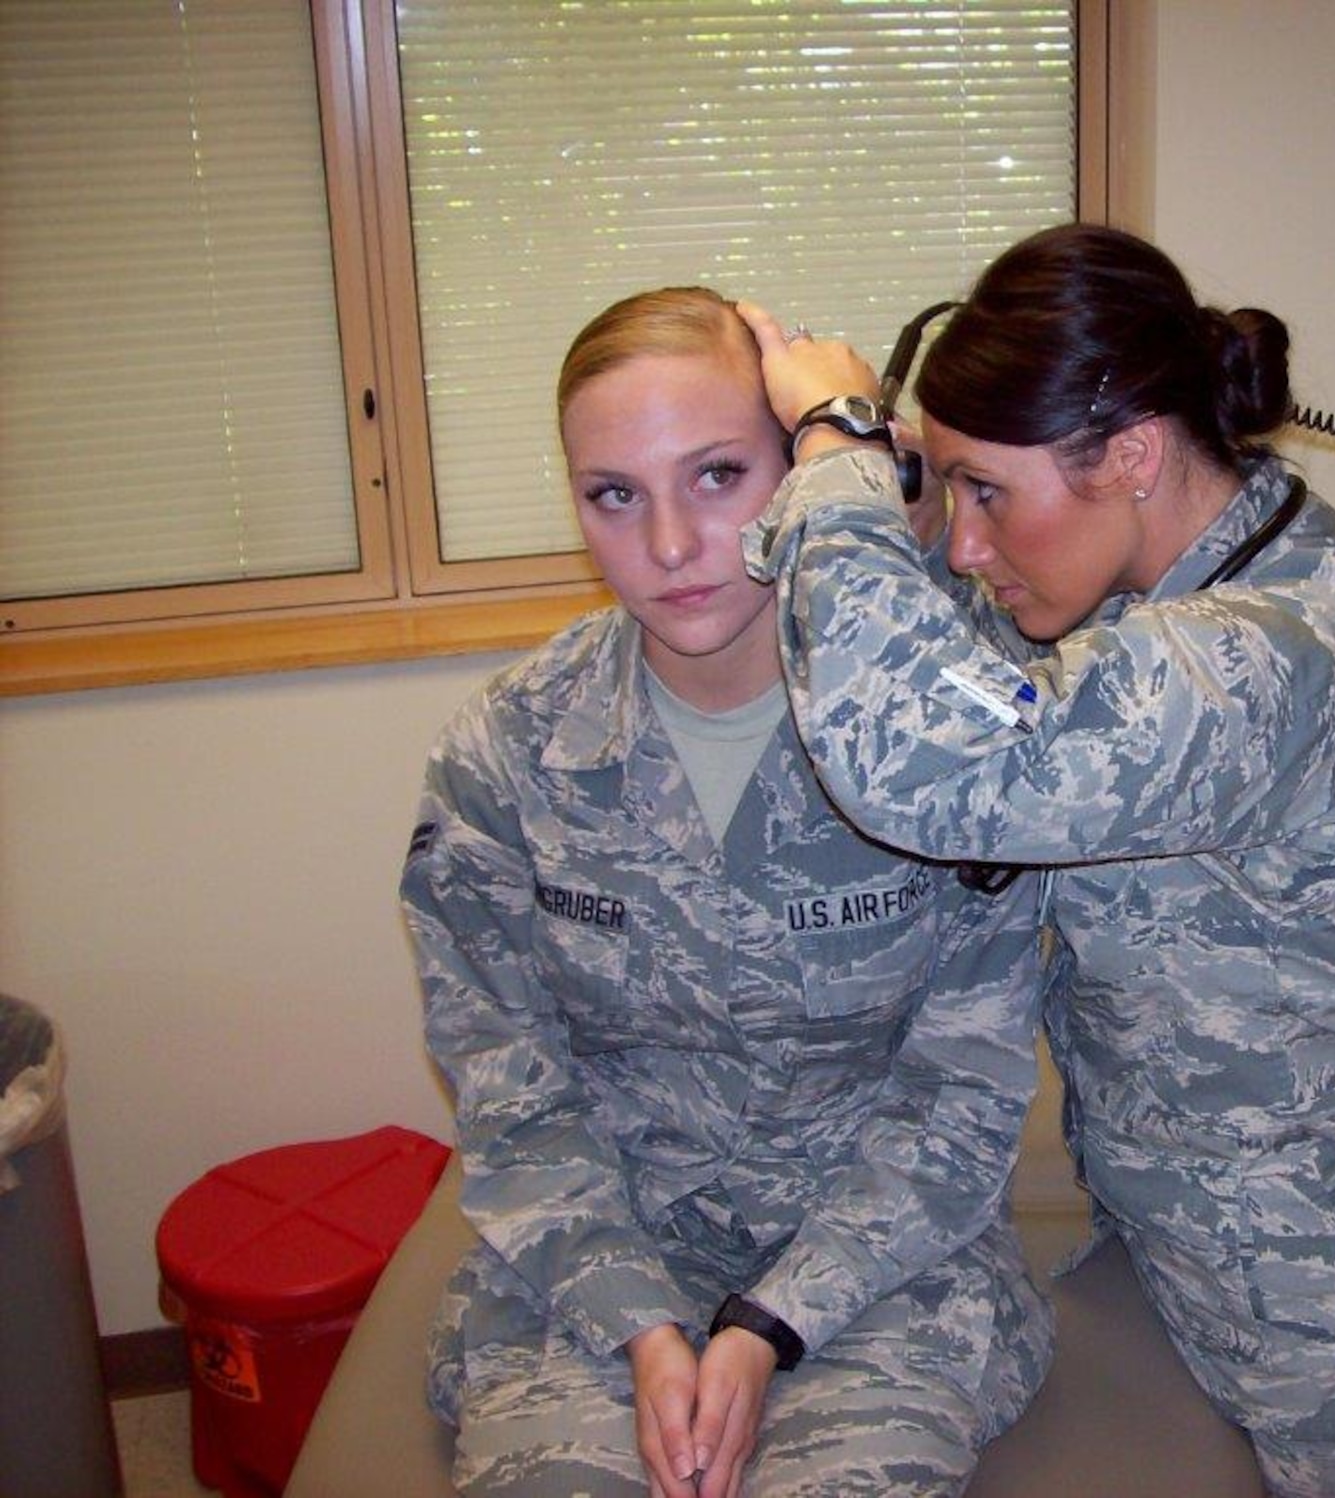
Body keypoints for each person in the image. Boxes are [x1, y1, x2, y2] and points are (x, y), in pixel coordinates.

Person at [736, 224, 1335, 1498]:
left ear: (1134, 454)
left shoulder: (1272, 648)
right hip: (1190, 1256)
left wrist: (829, 457)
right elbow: (974, 681)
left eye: (986, 493)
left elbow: (931, 762)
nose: (962, 545)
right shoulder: (1159, 571)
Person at [400, 286, 1053, 1498]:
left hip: (868, 1274)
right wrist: (647, 1328)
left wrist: (768, 1326)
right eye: (614, 495)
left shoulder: (940, 748)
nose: (667, 546)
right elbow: (512, 1096)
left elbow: (959, 1095)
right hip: (597, 1269)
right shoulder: (506, 756)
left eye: (715, 476)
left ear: (801, 473)